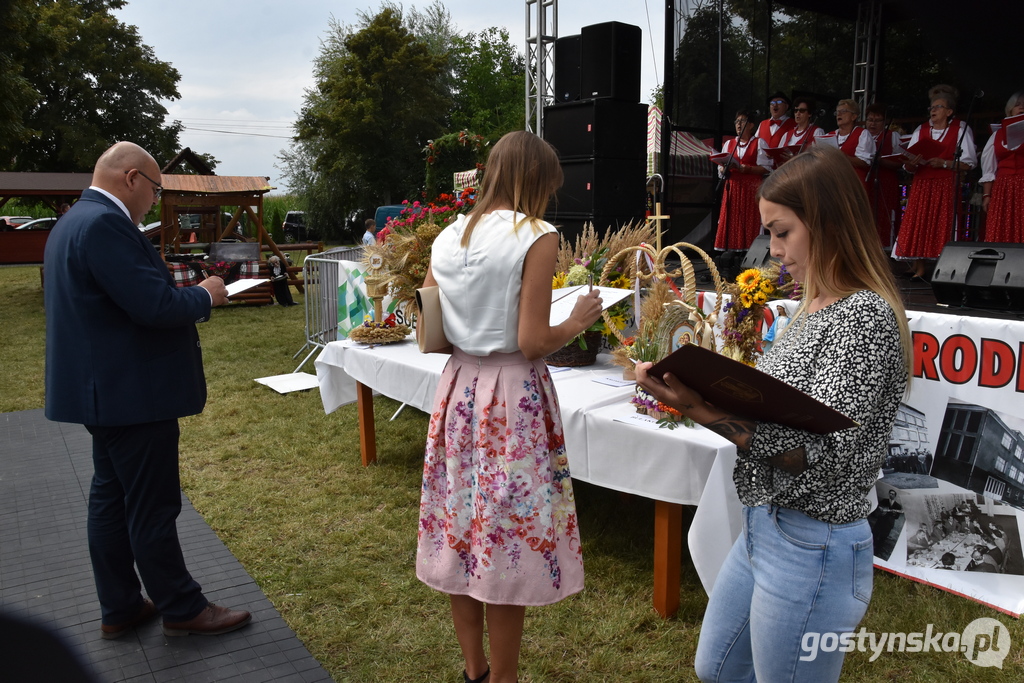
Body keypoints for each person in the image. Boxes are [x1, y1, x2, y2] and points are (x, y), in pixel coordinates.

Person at [637, 145, 911, 683]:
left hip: (816, 540)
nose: (772, 248)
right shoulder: (814, 304)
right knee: (715, 666)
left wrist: (699, 408)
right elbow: (788, 415)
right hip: (768, 524)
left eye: (782, 231)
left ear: (828, 221)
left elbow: (819, 458)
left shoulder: (864, 317)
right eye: (770, 233)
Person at [43, 141, 252, 639]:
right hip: (133, 393)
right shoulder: (105, 225)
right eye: (155, 190)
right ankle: (182, 607)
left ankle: (120, 606)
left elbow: (121, 302)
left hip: (104, 391)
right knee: (152, 505)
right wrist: (205, 294)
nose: (155, 202)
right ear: (132, 178)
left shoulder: (73, 222)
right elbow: (154, 309)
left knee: (111, 500)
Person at [416, 130, 603, 683]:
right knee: (505, 540)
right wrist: (577, 320)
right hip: (510, 398)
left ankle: (475, 671)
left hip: (459, 391)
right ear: (537, 180)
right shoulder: (536, 236)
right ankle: (505, 678)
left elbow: (432, 322)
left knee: (463, 530)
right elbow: (531, 342)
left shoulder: (449, 235)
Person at [893, 84, 977, 279]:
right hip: (922, 183)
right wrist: (912, 163)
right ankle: (919, 268)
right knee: (919, 221)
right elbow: (908, 163)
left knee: (943, 222)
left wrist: (945, 163)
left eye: (938, 107)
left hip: (945, 183)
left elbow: (969, 162)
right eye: (931, 107)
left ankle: (944, 268)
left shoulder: (960, 129)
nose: (933, 110)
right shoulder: (921, 130)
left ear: (949, 111)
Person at [714, 109, 769, 252]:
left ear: (751, 125)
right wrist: (722, 168)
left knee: (750, 221)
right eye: (737, 121)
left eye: (742, 121)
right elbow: (721, 169)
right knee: (732, 221)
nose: (739, 124)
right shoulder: (729, 144)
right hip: (732, 188)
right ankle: (730, 254)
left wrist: (748, 169)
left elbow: (767, 168)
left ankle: (751, 254)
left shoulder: (759, 143)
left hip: (751, 189)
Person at [979, 90, 1024, 243]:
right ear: (1010, 108)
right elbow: (989, 167)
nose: (1021, 107)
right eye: (1017, 105)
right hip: (1003, 187)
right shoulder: (997, 135)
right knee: (1002, 225)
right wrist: (987, 195)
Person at [864, 103, 904, 247]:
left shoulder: (892, 136)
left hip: (886, 181)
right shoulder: (862, 135)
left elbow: (900, 161)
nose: (872, 123)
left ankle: (886, 246)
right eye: (869, 119)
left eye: (877, 120)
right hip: (867, 181)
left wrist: (880, 160)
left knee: (885, 214)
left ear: (884, 122)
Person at [830, 99, 876, 188]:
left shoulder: (862, 134)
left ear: (854, 116)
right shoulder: (830, 135)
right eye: (837, 112)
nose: (839, 114)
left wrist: (843, 157)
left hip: (854, 185)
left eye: (843, 111)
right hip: (833, 184)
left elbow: (865, 162)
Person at [756, 91, 797, 169]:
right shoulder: (762, 124)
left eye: (779, 102)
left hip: (782, 169)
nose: (775, 104)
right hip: (762, 169)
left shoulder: (794, 124)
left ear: (786, 106)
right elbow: (755, 144)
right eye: (772, 103)